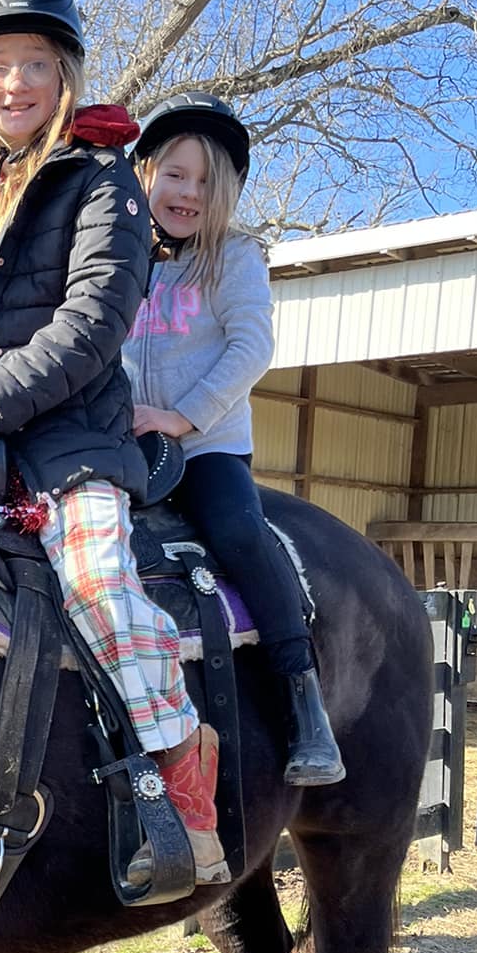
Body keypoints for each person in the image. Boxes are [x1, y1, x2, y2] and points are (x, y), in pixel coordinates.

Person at [0, 0, 228, 886]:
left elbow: (92, 323)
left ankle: (182, 774)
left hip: (68, 440)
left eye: (35, 64)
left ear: (65, 79)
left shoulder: (104, 186)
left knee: (96, 586)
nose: (15, 83)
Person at [127, 95, 343, 785]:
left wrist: (182, 418)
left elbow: (252, 346)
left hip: (205, 446)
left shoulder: (236, 257)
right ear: (147, 176)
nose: (188, 193)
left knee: (240, 531)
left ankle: (301, 696)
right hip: (122, 445)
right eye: (175, 175)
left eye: (206, 182)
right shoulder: (115, 257)